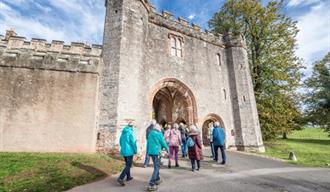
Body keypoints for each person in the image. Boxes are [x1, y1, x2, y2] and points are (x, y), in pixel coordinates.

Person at [147, 124, 169, 191]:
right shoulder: (159, 134)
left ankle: (157, 179)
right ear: (158, 128)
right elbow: (163, 143)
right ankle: (151, 183)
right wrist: (168, 150)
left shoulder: (150, 133)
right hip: (157, 152)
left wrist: (148, 151)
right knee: (156, 167)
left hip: (151, 152)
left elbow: (148, 143)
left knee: (156, 165)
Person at [117, 121, 137, 186]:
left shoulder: (123, 132)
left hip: (124, 151)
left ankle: (128, 177)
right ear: (132, 126)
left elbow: (120, 141)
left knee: (127, 164)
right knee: (129, 165)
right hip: (129, 151)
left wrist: (123, 147)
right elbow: (133, 143)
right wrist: (135, 151)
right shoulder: (130, 132)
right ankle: (121, 178)